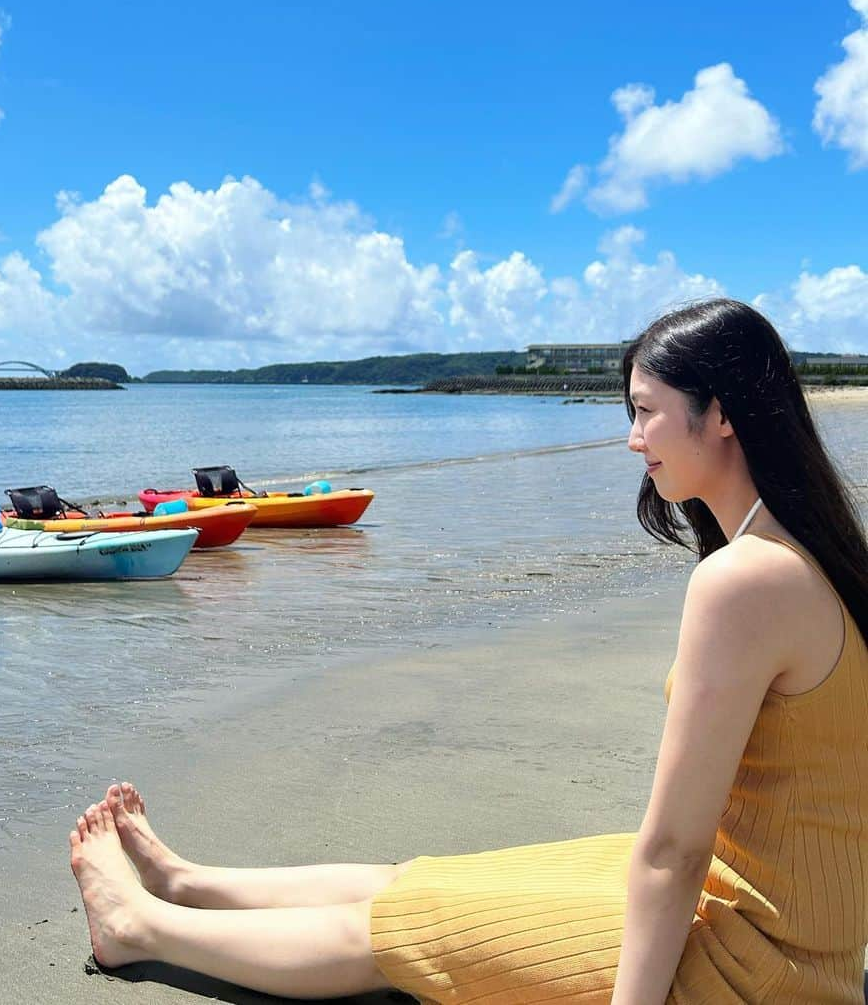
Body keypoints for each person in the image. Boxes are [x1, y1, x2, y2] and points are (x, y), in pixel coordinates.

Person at [69, 298, 868, 1003]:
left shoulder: (746, 580)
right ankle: (185, 882)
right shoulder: (810, 553)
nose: (631, 440)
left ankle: (138, 928)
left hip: (755, 967)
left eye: (645, 411)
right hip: (783, 929)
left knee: (405, 935)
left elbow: (675, 848)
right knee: (434, 883)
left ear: (720, 413)